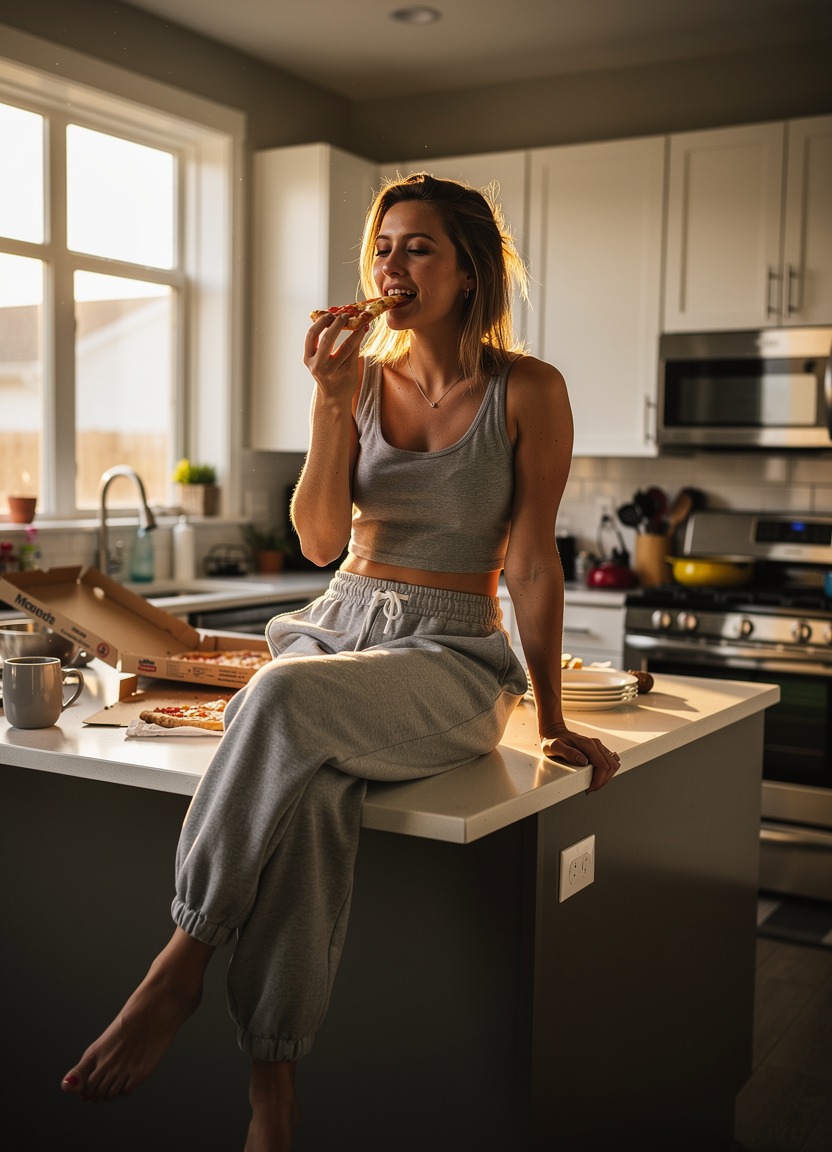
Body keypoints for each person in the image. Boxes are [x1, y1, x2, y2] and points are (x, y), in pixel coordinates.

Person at [61, 173, 621, 1150]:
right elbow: (320, 542)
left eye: (418, 248)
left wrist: (552, 716)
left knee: (278, 706)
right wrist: (327, 404)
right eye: (382, 247)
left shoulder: (528, 389)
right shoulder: (353, 377)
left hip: (449, 654)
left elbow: (531, 563)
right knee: (310, 796)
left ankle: (177, 965)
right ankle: (272, 1080)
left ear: (468, 268)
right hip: (336, 624)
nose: (391, 267)